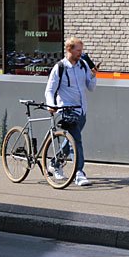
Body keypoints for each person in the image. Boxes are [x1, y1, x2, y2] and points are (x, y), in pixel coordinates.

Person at [44, 37, 98, 186]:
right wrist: (51, 105)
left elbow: (91, 87)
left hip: (82, 111)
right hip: (67, 110)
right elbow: (49, 90)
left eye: (81, 50)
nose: (81, 53)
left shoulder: (83, 65)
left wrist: (93, 76)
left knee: (71, 141)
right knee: (77, 141)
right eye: (78, 50)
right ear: (69, 49)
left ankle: (55, 163)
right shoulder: (60, 67)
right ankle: (79, 173)